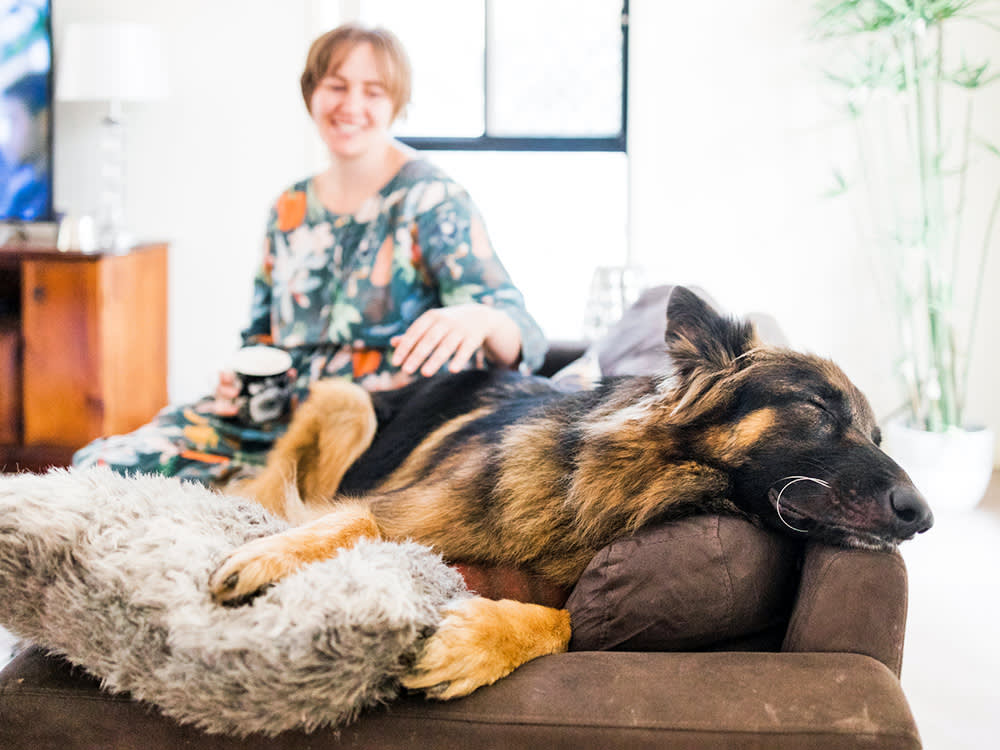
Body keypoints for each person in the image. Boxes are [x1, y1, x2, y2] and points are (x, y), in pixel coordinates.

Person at [73, 23, 546, 485]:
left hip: (369, 430)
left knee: (257, 496)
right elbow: (259, 339)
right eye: (336, 86)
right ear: (311, 94)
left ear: (396, 103)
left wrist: (480, 319)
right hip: (270, 419)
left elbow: (524, 335)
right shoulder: (289, 207)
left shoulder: (432, 200)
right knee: (100, 465)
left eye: (373, 92)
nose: (351, 105)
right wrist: (237, 380)